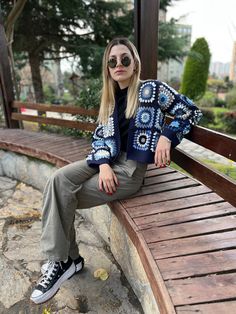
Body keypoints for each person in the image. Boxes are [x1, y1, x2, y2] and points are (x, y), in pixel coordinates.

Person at [30, 37, 202, 304]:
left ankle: (64, 260)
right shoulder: (108, 100)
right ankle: (67, 259)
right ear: (107, 68)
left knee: (64, 196)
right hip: (106, 162)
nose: (118, 64)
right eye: (112, 61)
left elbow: (189, 111)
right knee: (57, 180)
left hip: (131, 171)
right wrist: (104, 165)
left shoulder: (153, 90)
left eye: (124, 59)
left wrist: (168, 136)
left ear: (135, 64)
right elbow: (99, 138)